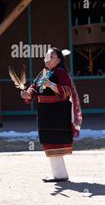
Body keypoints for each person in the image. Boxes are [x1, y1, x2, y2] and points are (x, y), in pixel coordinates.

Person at [20, 47, 82, 182]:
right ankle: (60, 174)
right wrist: (27, 93)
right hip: (45, 114)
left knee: (55, 143)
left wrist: (51, 84)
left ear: (58, 60)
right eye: (46, 56)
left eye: (51, 57)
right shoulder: (42, 73)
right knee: (49, 142)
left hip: (58, 113)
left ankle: (60, 175)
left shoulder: (61, 72)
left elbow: (66, 91)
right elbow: (34, 88)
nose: (47, 59)